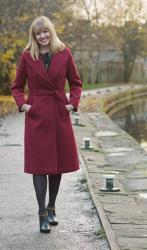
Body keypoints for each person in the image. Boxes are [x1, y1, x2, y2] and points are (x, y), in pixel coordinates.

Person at [11, 16, 82, 233]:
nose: (43, 36)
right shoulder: (27, 56)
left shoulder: (64, 53)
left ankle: (52, 207)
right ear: (34, 36)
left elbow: (76, 83)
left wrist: (72, 104)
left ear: (51, 32)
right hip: (37, 117)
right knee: (40, 166)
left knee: (57, 165)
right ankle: (42, 213)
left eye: (46, 32)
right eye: (38, 33)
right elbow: (16, 86)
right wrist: (23, 105)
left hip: (59, 113)